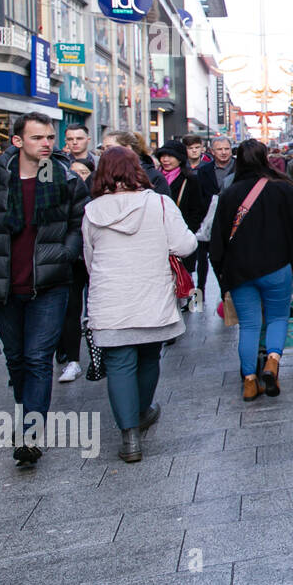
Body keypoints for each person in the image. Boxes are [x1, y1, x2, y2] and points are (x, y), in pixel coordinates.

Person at [83, 147, 197, 462]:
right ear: (138, 169)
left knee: (119, 364)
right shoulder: (159, 203)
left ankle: (129, 437)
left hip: (110, 299)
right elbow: (185, 245)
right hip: (152, 295)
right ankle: (143, 411)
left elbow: (90, 259)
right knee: (149, 357)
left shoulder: (92, 211)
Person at [0, 111, 89, 467]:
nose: (48, 144)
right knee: (16, 359)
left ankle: (30, 435)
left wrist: (66, 253)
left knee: (38, 359)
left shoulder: (64, 179)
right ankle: (27, 418)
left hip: (49, 284)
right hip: (5, 285)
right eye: (38, 138)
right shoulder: (1, 179)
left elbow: (79, 221)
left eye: (50, 137)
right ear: (18, 141)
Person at [210, 140, 293, 401]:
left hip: (239, 272)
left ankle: (249, 381)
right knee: (278, 317)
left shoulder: (229, 194)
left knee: (248, 325)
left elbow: (217, 240)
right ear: (265, 158)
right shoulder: (281, 190)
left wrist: (222, 277)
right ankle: (272, 361)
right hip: (275, 267)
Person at [56, 158, 95, 384]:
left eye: (84, 172)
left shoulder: (97, 195)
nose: (80, 176)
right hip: (72, 260)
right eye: (75, 172)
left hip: (94, 259)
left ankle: (100, 354)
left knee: (95, 308)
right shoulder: (64, 193)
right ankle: (73, 360)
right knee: (72, 310)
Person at [155, 140, 208, 275]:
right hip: (156, 238)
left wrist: (187, 232)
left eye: (170, 156)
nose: (165, 160)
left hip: (180, 238)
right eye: (163, 156)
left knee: (182, 283)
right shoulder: (154, 179)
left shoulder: (190, 180)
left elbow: (198, 210)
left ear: (180, 158)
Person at [195, 136, 236, 298]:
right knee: (211, 258)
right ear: (212, 152)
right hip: (209, 221)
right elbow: (199, 197)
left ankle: (228, 292)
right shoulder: (204, 171)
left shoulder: (238, 168)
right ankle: (201, 292)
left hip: (233, 220)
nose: (224, 152)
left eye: (226, 149)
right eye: (219, 149)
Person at [103, 130, 169, 195]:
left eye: (109, 148)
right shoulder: (100, 176)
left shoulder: (153, 176)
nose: (104, 152)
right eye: (103, 149)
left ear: (128, 148)